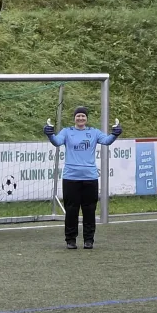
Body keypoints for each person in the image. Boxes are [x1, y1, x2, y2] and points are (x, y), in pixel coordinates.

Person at [44, 106, 122, 250]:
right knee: (71, 210)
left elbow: (106, 141)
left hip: (90, 177)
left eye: (83, 116)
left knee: (89, 209)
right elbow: (57, 142)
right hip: (71, 177)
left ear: (86, 118)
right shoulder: (67, 132)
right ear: (74, 118)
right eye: (78, 116)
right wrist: (49, 133)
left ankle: (89, 240)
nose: (80, 118)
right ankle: (71, 240)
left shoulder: (93, 132)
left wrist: (115, 133)